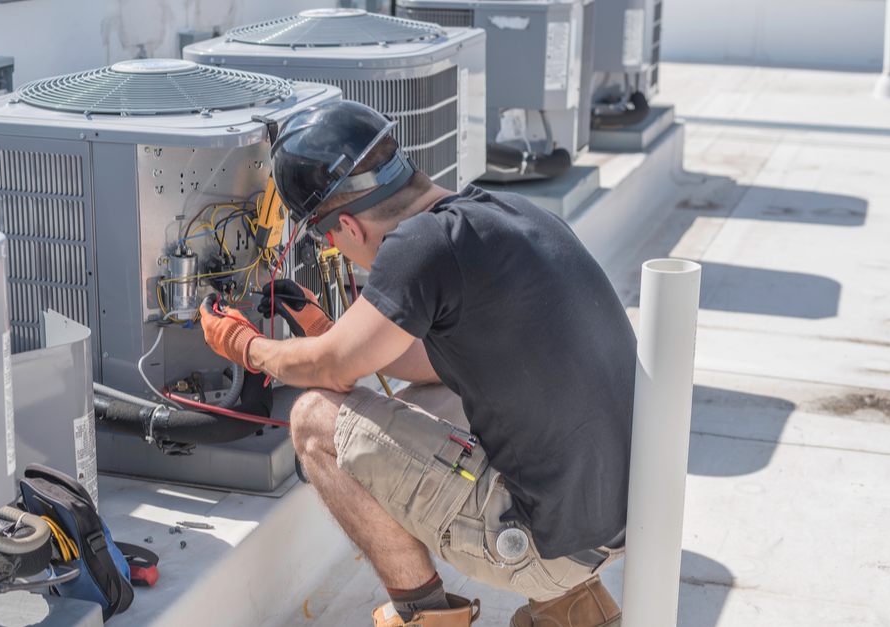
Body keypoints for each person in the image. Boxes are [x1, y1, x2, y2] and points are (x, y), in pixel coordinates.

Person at [200, 101, 635, 627]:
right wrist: (330, 336)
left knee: (315, 421)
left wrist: (246, 345)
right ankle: (573, 608)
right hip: (618, 523)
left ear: (349, 228)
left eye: (324, 240)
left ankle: (422, 616)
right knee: (424, 397)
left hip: (538, 547)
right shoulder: (501, 214)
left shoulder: (418, 246)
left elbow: (333, 372)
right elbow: (431, 360)